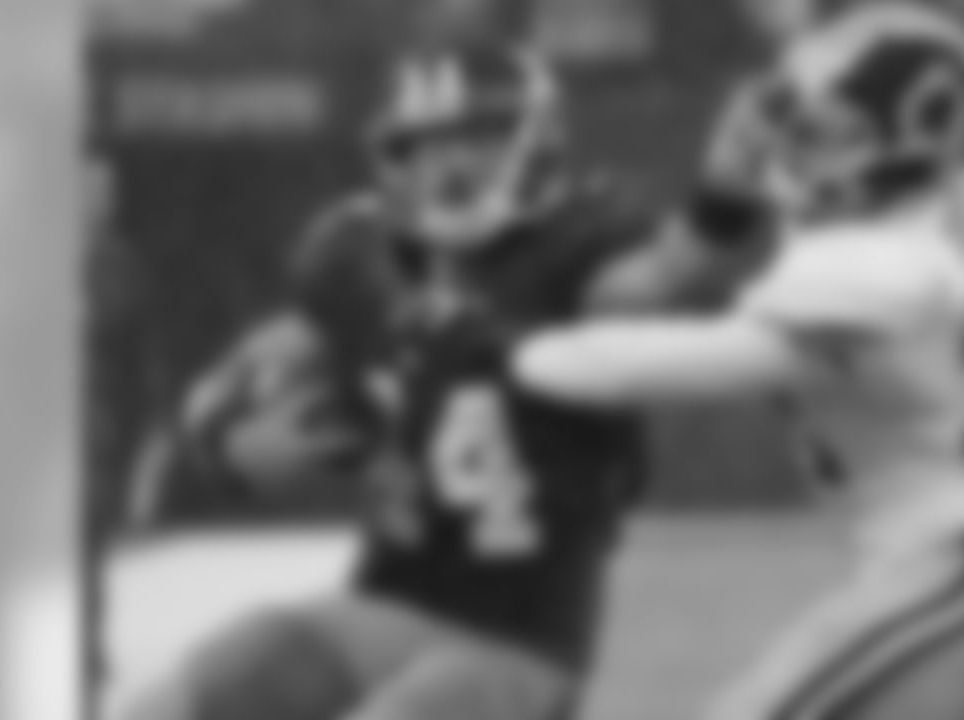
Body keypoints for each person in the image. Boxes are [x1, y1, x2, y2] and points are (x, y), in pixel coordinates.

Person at [112, 40, 768, 720]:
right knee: (214, 679)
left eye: (477, 137)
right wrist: (224, 447)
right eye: (426, 144)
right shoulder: (361, 255)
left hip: (521, 640)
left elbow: (662, 276)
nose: (450, 163)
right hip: (389, 607)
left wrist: (725, 197)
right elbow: (247, 379)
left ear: (538, 138)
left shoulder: (573, 247)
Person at [511, 4, 964, 720]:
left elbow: (677, 364)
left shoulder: (879, 273)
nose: (793, 145)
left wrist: (504, 352)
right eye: (797, 122)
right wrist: (731, 185)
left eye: (832, 134)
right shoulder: (944, 208)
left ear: (909, 151)